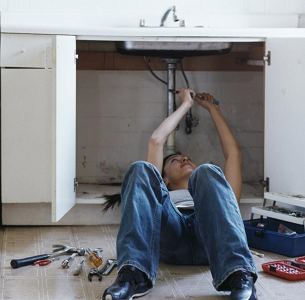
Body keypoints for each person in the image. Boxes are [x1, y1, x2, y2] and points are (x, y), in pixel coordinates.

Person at [102, 88, 258, 300]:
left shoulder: (212, 188)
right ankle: (132, 276)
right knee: (140, 168)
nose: (185, 159)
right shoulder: (161, 189)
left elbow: (233, 154)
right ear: (164, 180)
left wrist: (214, 110)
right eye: (175, 160)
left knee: (207, 170)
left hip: (210, 239)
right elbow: (157, 140)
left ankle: (240, 277)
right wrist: (186, 104)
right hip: (171, 233)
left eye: (187, 158)